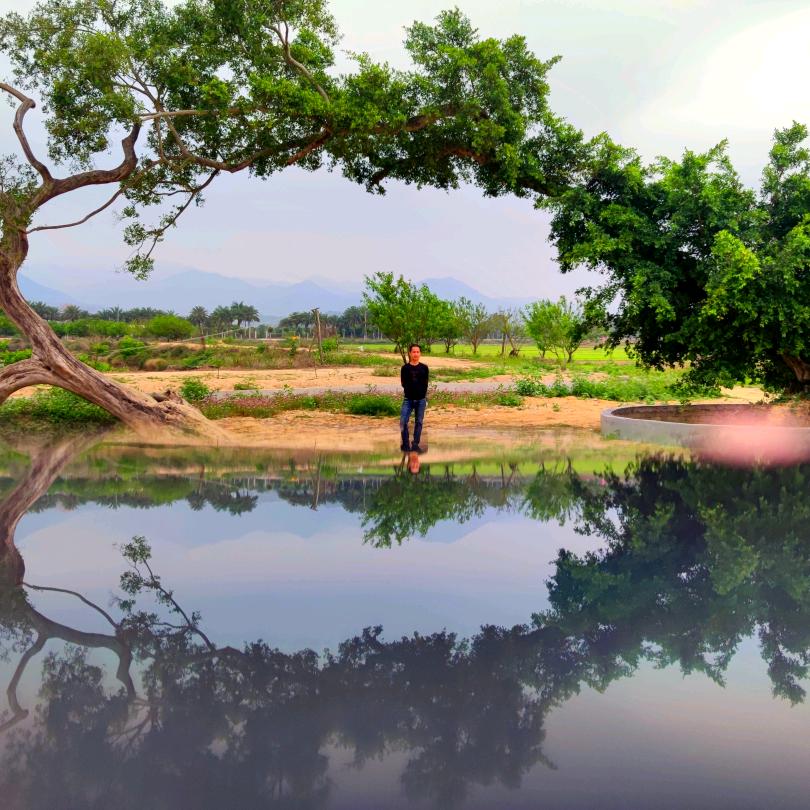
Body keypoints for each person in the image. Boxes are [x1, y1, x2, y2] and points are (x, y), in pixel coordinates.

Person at [400, 343, 428, 452]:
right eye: (413, 352)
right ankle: (406, 444)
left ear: (420, 353)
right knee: (403, 421)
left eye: (418, 352)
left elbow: (425, 383)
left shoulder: (424, 368)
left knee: (419, 422)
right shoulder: (405, 368)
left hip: (421, 400)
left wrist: (423, 396)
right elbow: (403, 383)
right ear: (410, 353)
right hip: (408, 400)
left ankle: (415, 443)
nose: (416, 354)